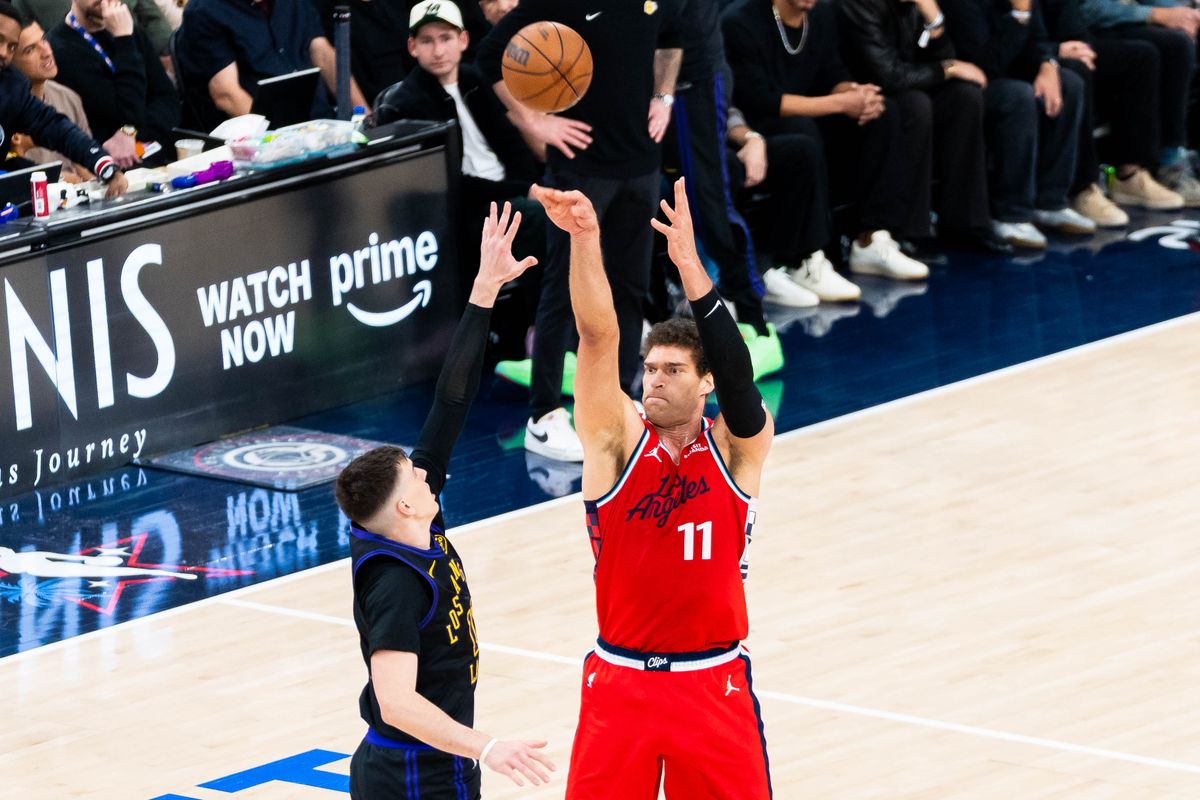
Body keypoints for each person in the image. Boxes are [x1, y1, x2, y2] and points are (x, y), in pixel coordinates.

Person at [533, 176, 773, 798]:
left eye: (673, 370)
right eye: (650, 369)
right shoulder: (615, 441)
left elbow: (744, 382)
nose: (654, 380)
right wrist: (586, 241)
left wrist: (691, 268)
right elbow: (596, 337)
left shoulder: (737, 449)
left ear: (706, 383)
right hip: (621, 683)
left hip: (712, 684)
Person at [336, 202, 555, 800]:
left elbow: (449, 404)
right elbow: (397, 702)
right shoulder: (396, 584)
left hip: (438, 761)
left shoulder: (408, 523)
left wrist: (485, 290)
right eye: (415, 478)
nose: (427, 476)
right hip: (412, 773)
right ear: (405, 506)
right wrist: (487, 745)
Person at [477, 0, 684, 464]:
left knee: (630, 289)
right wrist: (531, 118)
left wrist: (664, 97)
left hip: (641, 165)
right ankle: (544, 415)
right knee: (562, 290)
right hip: (581, 169)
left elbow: (673, 37)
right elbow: (489, 55)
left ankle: (620, 395)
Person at [723, 0, 929, 304]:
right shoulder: (740, 21)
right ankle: (805, 258)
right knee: (802, 133)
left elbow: (833, 71)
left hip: (810, 115)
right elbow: (759, 100)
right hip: (757, 128)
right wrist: (840, 104)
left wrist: (855, 95)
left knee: (883, 115)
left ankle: (870, 238)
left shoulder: (821, 14)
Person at [374, 0, 545, 347]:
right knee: (540, 219)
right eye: (427, 41)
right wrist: (524, 190)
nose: (438, 50)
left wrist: (531, 184)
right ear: (412, 47)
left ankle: (560, 327)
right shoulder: (404, 104)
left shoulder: (476, 79)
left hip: (509, 194)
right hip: (464, 210)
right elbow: (448, 182)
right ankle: (543, 334)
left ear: (463, 40)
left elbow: (513, 145)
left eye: (446, 38)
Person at [836, 0, 1012, 254]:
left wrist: (935, 21)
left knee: (964, 97)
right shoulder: (859, 5)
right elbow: (888, 76)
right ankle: (910, 229)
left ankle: (967, 221)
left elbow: (944, 57)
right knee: (915, 105)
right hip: (865, 96)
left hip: (906, 84)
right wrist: (947, 68)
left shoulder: (916, 5)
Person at [940, 0, 1094, 248]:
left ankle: (1050, 200)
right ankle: (1011, 213)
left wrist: (1048, 65)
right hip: (968, 82)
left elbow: (1039, 38)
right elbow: (986, 62)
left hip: (1009, 68)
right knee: (1018, 96)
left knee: (1070, 84)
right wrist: (1019, 15)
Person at [1041, 0, 1183, 222]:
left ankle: (1129, 175)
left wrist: (1081, 44)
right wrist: (1050, 52)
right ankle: (1083, 187)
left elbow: (1067, 15)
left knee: (1141, 56)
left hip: (1065, 39)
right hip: (1030, 50)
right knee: (1077, 70)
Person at [174, 0, 369, 131]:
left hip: (321, 125)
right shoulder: (205, 11)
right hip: (262, 141)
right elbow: (226, 94)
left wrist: (366, 116)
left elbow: (323, 54)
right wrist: (279, 141)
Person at [1078, 0, 1200, 205]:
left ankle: (1183, 156)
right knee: (1157, 50)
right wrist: (1156, 14)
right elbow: (1086, 10)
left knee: (1182, 37)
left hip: (1119, 22)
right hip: (1079, 31)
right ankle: (1151, 168)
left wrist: (1187, 15)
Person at [0, 1, 128, 196]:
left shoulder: (11, 87)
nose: (3, 52)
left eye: (11, 47)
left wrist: (103, 165)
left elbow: (54, 127)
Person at [47, 0, 179, 168]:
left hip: (156, 155)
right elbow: (117, 116)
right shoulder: (60, 50)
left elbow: (168, 100)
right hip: (107, 166)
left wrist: (130, 133)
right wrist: (124, 41)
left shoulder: (130, 31)